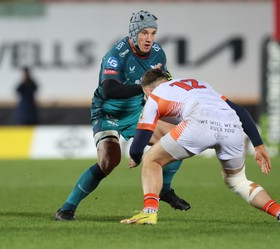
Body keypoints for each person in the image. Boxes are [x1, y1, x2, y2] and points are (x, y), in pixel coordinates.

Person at [55, 10, 190, 221]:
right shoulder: (116, 55)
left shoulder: (158, 53)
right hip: (107, 111)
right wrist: (144, 88)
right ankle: (67, 208)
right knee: (110, 160)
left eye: (153, 33)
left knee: (178, 139)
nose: (149, 38)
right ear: (134, 33)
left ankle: (164, 189)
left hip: (135, 111)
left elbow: (164, 80)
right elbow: (109, 89)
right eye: (144, 33)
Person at [120, 69, 280, 225]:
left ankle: (149, 213)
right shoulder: (200, 84)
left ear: (149, 90)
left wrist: (136, 157)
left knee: (152, 160)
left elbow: (138, 145)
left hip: (199, 122)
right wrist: (258, 145)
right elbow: (240, 111)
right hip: (231, 125)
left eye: (145, 94)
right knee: (238, 181)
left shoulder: (155, 96)